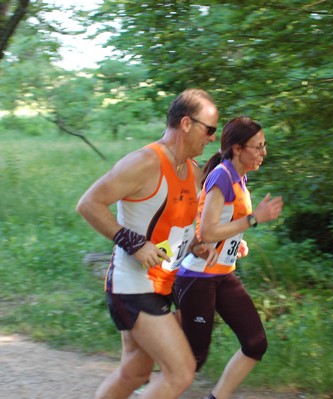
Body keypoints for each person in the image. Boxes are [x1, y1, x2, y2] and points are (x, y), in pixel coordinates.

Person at [76, 88, 219, 399]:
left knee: (135, 372)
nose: (212, 138)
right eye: (209, 130)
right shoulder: (144, 162)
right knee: (180, 372)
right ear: (186, 123)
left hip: (161, 285)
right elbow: (88, 204)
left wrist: (195, 245)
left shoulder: (192, 171)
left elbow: (174, 226)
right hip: (133, 287)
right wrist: (133, 243)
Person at [174, 116, 284, 399]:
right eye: (257, 147)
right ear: (237, 148)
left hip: (222, 275)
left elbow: (223, 224)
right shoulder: (222, 175)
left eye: (264, 146)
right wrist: (254, 220)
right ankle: (146, 380)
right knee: (193, 360)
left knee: (255, 343)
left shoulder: (239, 177)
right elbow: (207, 230)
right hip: (198, 277)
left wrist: (237, 242)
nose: (263, 152)